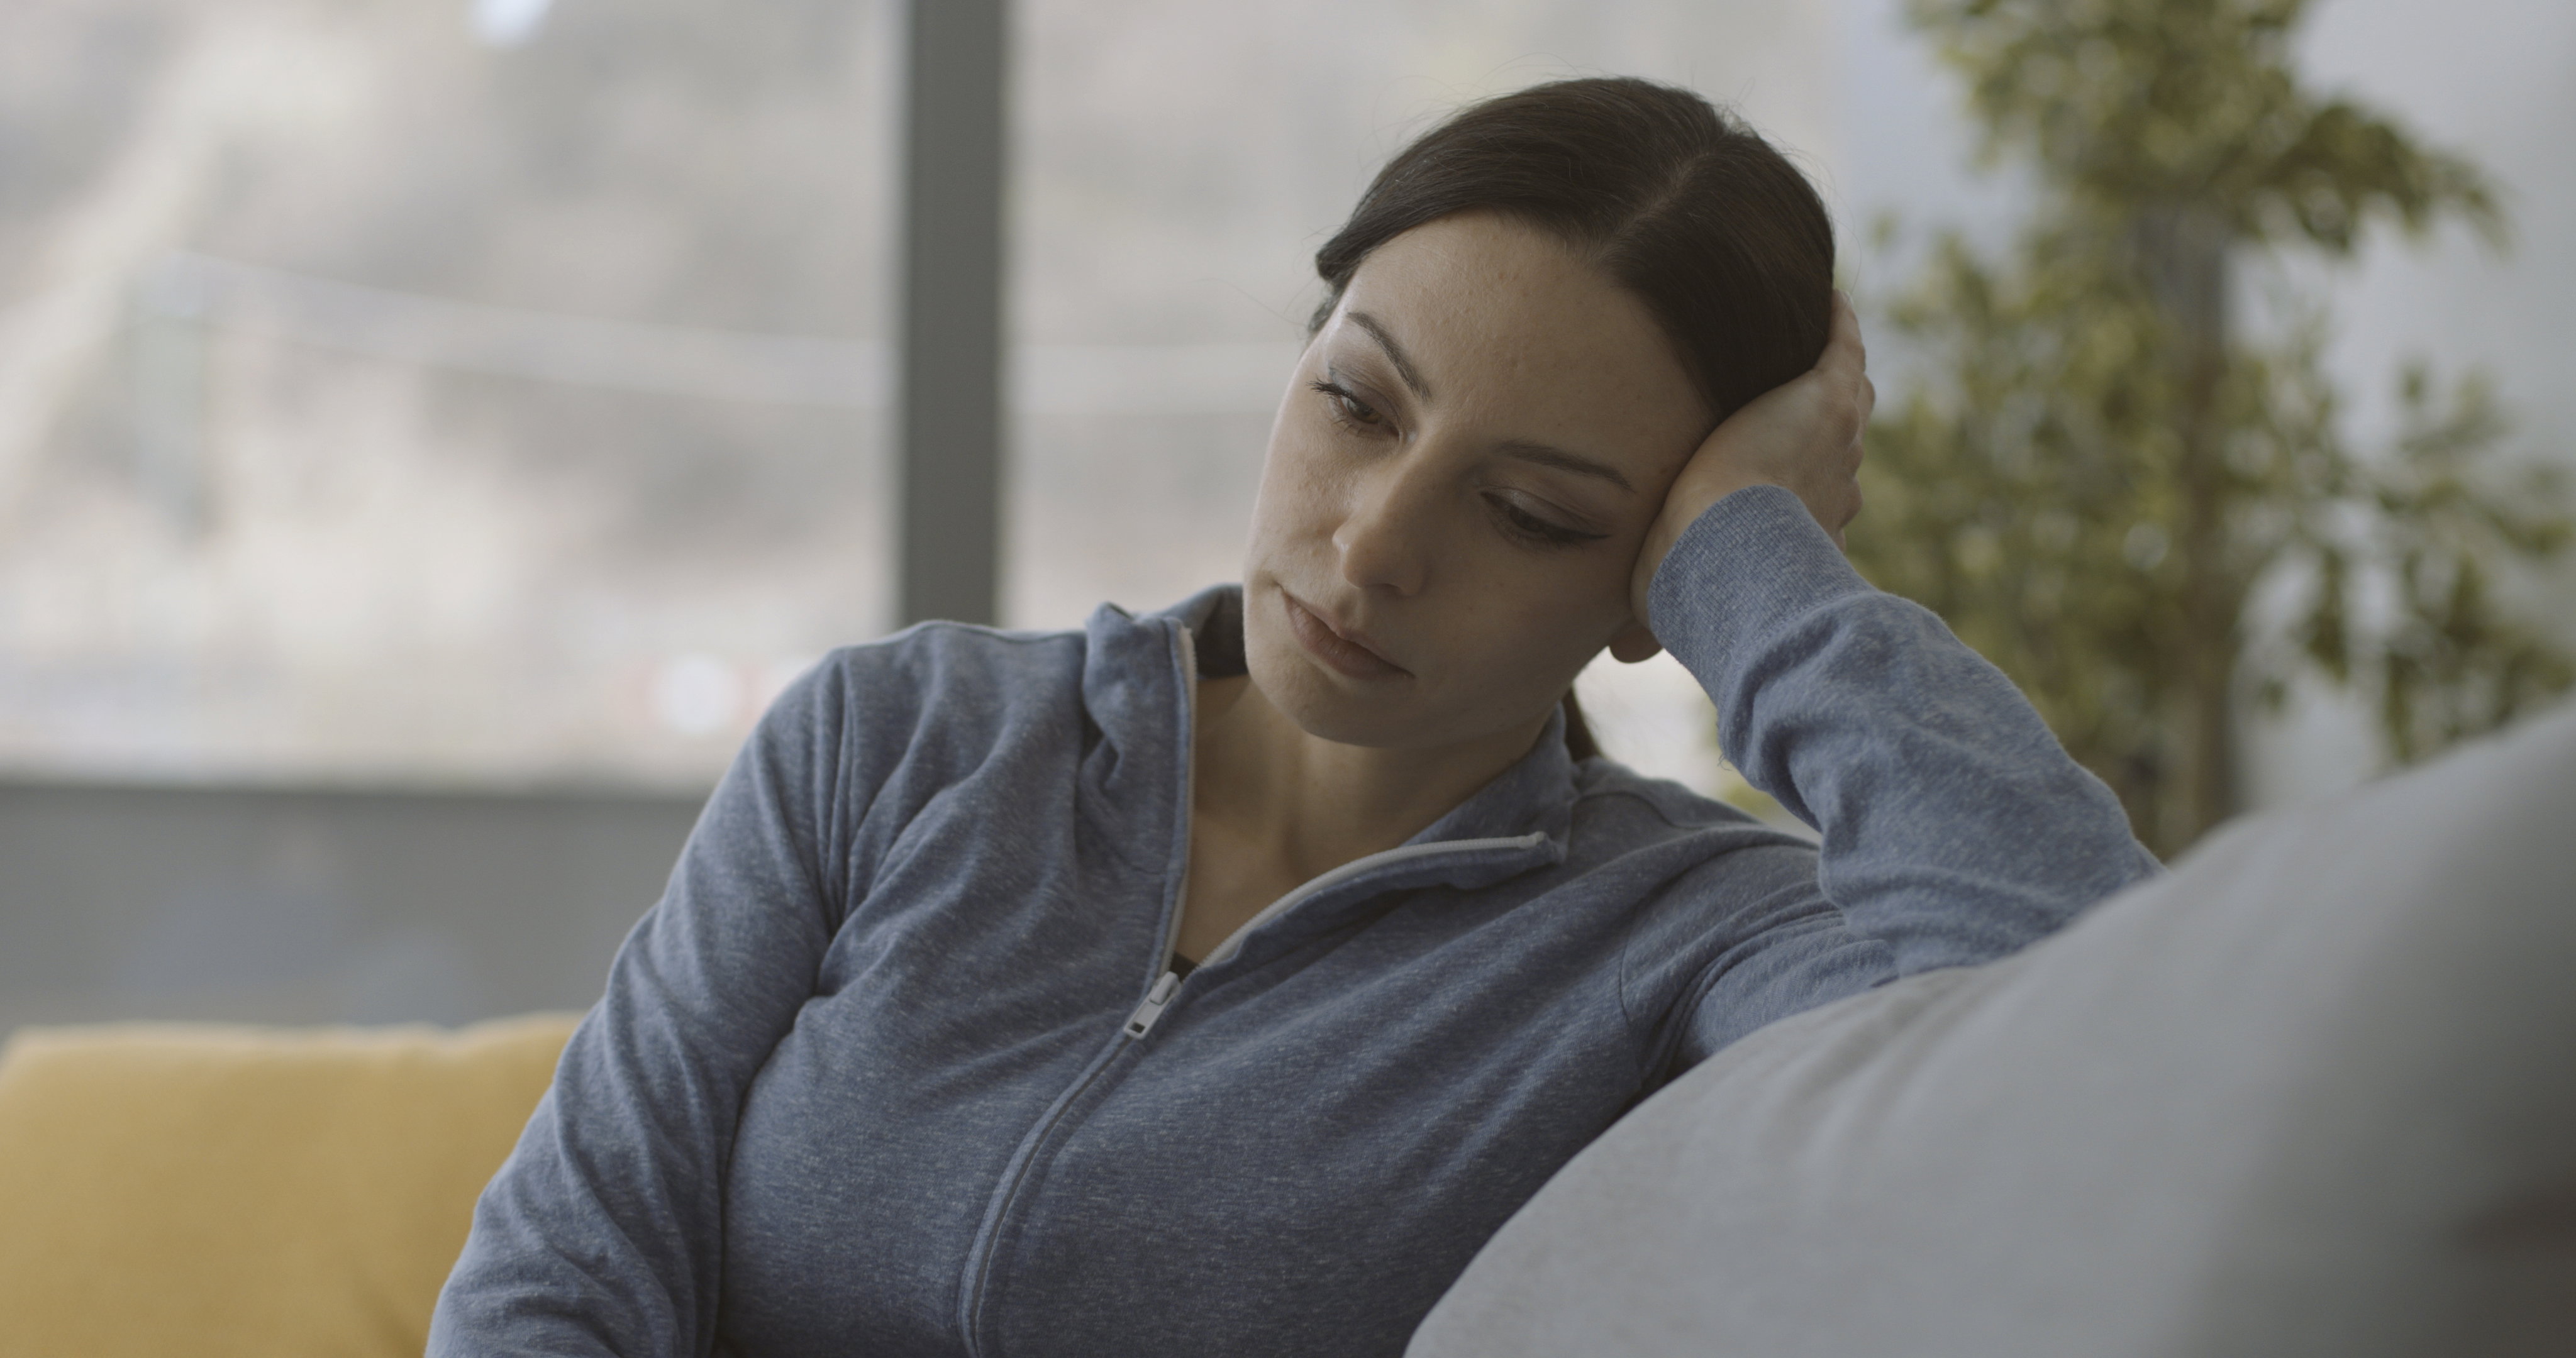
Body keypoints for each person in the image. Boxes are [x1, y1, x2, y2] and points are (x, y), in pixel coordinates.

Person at [429, 76, 2158, 1357]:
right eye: (1355, 401)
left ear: (1649, 586)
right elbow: (563, 1275)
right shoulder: (901, 742)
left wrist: (1761, 573)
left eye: (1536, 515)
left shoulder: (1682, 942)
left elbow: (2092, 1073)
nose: (1377, 541)